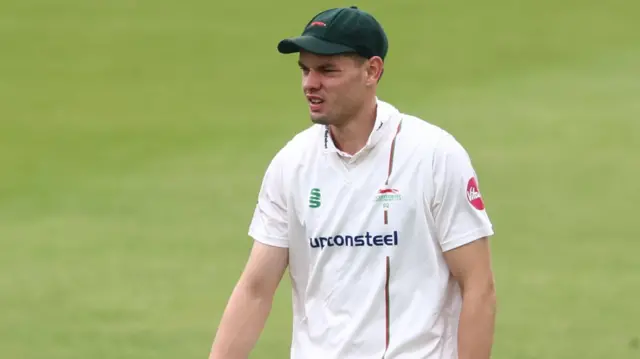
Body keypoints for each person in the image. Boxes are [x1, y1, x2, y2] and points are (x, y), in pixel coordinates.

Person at [209, 6, 497, 359]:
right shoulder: (292, 163)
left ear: (372, 71)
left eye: (327, 70)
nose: (310, 84)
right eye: (305, 70)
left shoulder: (435, 156)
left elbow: (478, 286)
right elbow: (256, 289)